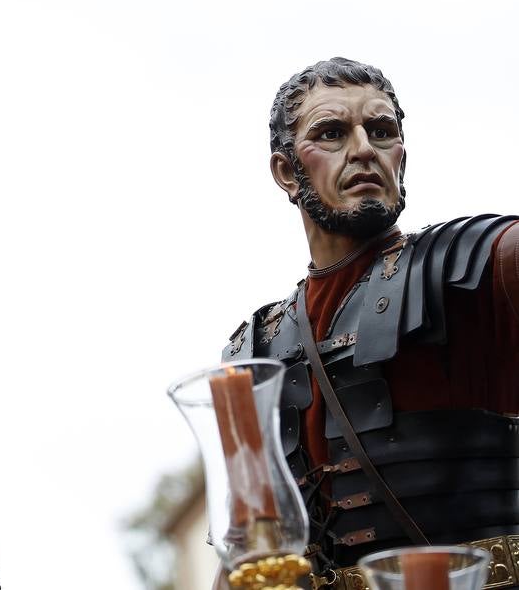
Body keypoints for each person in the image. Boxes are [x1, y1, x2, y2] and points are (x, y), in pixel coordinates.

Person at [222, 57, 519, 583]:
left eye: (381, 131)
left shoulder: (469, 266)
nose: (363, 149)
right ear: (287, 172)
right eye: (332, 133)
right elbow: (246, 551)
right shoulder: (253, 352)